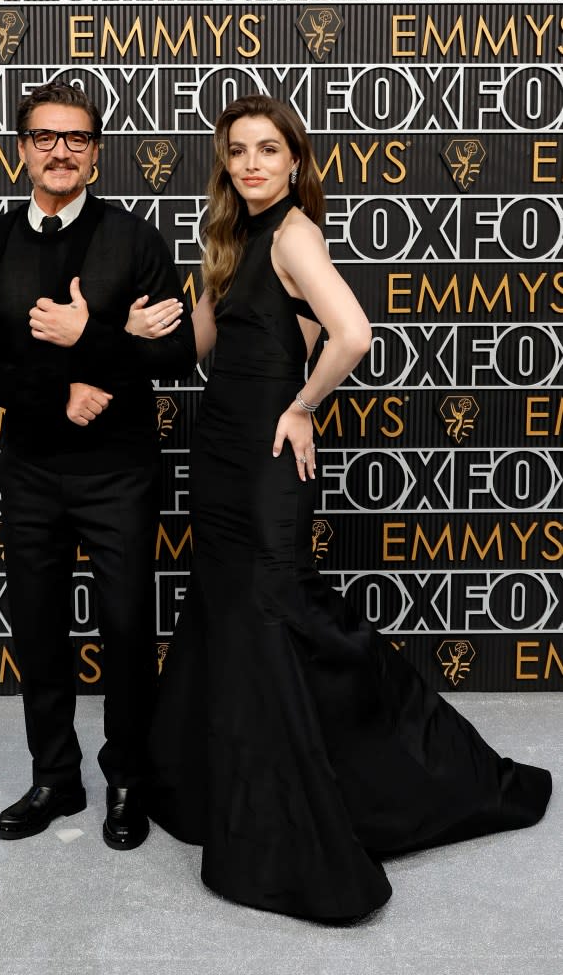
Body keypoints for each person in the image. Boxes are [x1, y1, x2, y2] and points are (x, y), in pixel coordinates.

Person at [126, 95, 552, 921]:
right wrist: (136, 327)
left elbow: (351, 334)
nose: (251, 163)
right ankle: (224, 790)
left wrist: (302, 406)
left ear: (294, 161)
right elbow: (196, 352)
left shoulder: (292, 235)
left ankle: (416, 777)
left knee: (280, 616)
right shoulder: (230, 239)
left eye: (267, 150)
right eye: (238, 151)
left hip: (265, 462)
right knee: (229, 618)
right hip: (216, 455)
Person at [0, 80, 196, 850]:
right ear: (21, 148)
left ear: (96, 153)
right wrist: (66, 391)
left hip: (119, 473)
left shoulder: (134, 238)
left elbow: (177, 352)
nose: (61, 150)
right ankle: (54, 778)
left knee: (126, 629)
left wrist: (92, 341)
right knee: (38, 629)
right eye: (45, 136)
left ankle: (127, 777)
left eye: (77, 138)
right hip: (29, 469)